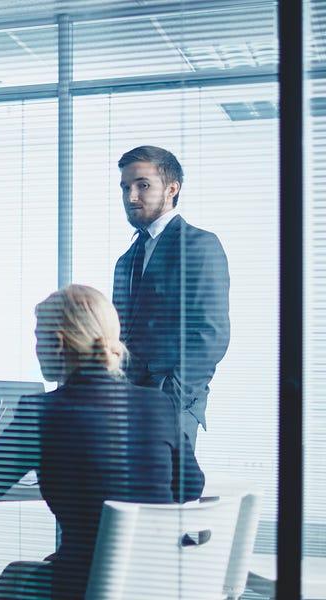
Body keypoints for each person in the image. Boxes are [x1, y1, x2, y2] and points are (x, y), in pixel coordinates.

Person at [0, 284, 205, 599]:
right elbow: (191, 486)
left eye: (37, 338)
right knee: (23, 573)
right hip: (169, 578)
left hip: (97, 581)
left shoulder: (43, 411)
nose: (35, 347)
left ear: (58, 343)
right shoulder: (158, 404)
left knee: (17, 578)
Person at [113, 145, 230, 448]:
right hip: (125, 408)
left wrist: (172, 399)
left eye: (143, 185)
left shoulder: (199, 245)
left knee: (164, 494)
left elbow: (210, 335)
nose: (131, 196)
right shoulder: (126, 260)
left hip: (171, 409)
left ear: (172, 188)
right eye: (126, 187)